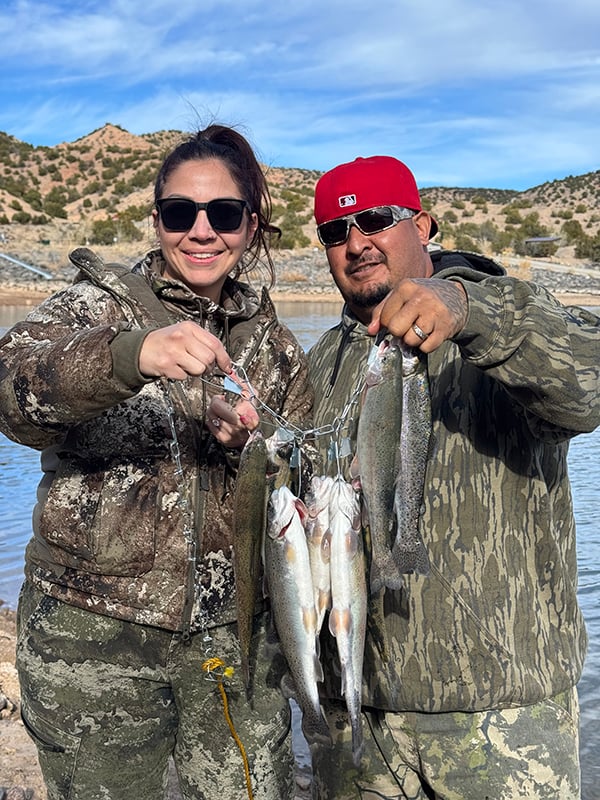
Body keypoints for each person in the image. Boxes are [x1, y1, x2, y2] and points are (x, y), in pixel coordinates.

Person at [0, 124, 313, 800]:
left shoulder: (277, 348)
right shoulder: (92, 306)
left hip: (234, 643)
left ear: (250, 224)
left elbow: (306, 481)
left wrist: (254, 451)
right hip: (89, 641)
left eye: (223, 213)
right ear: (156, 219)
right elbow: (12, 392)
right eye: (180, 212)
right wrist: (131, 356)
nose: (201, 231)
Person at [306, 154, 600, 799]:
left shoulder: (507, 311)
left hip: (504, 714)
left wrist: (467, 310)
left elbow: (589, 385)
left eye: (375, 220)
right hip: (357, 714)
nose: (356, 243)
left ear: (423, 226)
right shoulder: (324, 358)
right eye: (335, 231)